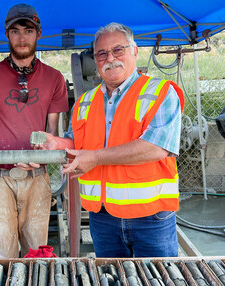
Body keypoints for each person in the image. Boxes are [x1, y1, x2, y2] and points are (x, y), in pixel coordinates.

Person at [41, 22, 184, 258]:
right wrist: (57, 144)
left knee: (157, 278)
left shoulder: (160, 92)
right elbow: (76, 143)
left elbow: (156, 147)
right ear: (95, 60)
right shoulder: (84, 102)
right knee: (112, 277)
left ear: (135, 51)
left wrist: (95, 158)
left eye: (118, 50)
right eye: (102, 53)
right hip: (103, 217)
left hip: (150, 216)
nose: (111, 58)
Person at [0, 3, 69, 258]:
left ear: (38, 34)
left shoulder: (54, 78)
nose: (21, 37)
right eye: (15, 31)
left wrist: (41, 154)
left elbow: (51, 131)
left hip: (37, 177)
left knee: (36, 252)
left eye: (28, 30)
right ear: (6, 35)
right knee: (1, 254)